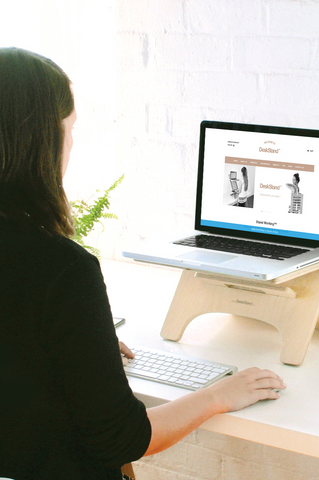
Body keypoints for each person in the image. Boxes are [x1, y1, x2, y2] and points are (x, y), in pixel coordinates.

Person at [0, 47, 286, 480]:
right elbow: (122, 439)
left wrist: (73, 350)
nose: (72, 143)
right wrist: (219, 394)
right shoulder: (62, 268)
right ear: (40, 139)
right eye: (70, 128)